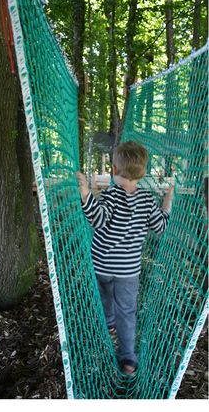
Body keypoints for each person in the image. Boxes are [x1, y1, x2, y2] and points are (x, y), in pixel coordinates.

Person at [77, 140, 174, 375]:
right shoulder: (147, 199)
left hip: (102, 264)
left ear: (115, 170)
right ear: (141, 173)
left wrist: (85, 192)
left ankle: (108, 321)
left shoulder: (110, 195)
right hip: (128, 271)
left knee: (105, 297)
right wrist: (167, 200)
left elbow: (97, 221)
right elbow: (160, 228)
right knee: (126, 311)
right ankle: (128, 358)